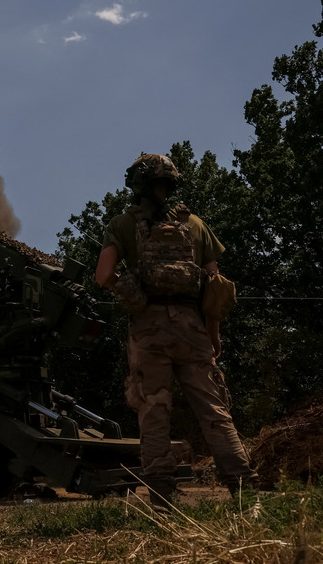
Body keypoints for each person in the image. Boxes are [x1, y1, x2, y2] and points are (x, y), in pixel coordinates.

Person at [95, 153, 255, 509]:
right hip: (193, 328)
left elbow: (103, 276)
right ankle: (246, 496)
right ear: (170, 185)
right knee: (214, 411)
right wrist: (213, 335)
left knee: (154, 414)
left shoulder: (122, 224)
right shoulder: (195, 224)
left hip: (148, 331)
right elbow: (215, 287)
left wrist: (131, 289)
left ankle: (161, 503)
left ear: (135, 185)